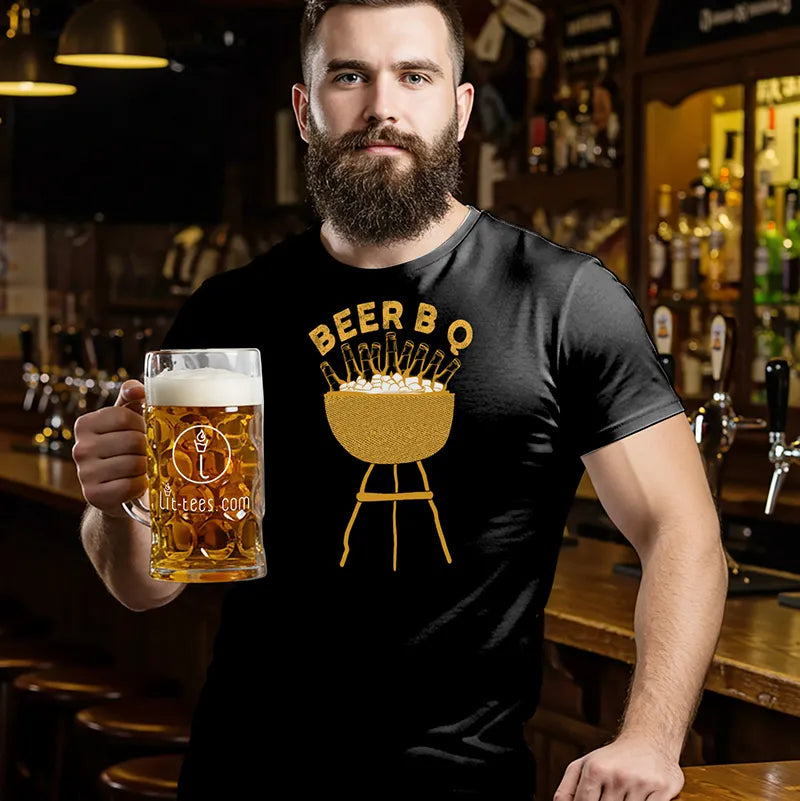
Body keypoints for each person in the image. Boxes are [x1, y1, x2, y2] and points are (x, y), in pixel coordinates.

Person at [71, 1, 729, 799]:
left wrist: (652, 739)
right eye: (349, 75)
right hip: (244, 773)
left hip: (462, 782)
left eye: (414, 75)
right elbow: (152, 584)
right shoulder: (228, 315)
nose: (383, 105)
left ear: (459, 110)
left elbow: (683, 529)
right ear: (305, 110)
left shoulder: (563, 301)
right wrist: (116, 507)